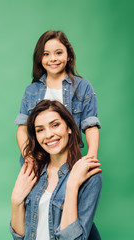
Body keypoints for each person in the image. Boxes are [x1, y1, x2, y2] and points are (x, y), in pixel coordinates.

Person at [10, 100, 102, 240]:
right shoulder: (33, 169)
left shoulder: (90, 175)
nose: (48, 135)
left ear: (69, 128)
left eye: (55, 125)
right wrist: (16, 201)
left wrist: (72, 186)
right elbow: (19, 237)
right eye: (40, 130)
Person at [14, 30, 101, 166]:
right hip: (37, 163)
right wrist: (29, 158)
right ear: (39, 58)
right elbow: (22, 129)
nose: (53, 58)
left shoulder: (83, 87)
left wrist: (90, 158)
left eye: (58, 53)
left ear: (68, 56)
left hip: (69, 162)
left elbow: (90, 126)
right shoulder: (31, 90)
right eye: (46, 54)